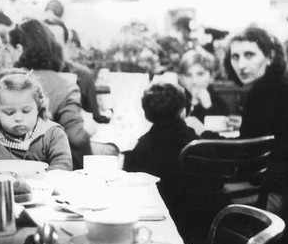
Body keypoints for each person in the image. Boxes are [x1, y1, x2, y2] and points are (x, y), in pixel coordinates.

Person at [9, 19, 95, 169]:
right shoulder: (64, 85)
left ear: (19, 49)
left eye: (8, 49)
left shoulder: (6, 84)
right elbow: (77, 137)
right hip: (55, 172)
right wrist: (90, 126)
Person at [224, 26, 288, 220]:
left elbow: (249, 159)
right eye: (235, 57)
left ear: (270, 57)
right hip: (275, 184)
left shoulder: (263, 92)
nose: (241, 64)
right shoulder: (276, 85)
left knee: (199, 193)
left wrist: (205, 137)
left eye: (249, 55)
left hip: (273, 192)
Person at [0, 68, 73, 170]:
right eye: (9, 113)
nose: (18, 118)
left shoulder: (53, 134)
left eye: (26, 111)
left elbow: (62, 165)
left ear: (39, 107)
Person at [123, 83, 197, 214]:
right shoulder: (195, 142)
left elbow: (130, 186)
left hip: (156, 212)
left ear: (147, 113)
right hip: (198, 213)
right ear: (182, 110)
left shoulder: (143, 146)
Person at [43, 17, 110, 122]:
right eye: (45, 42)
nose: (49, 49)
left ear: (66, 45)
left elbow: (93, 116)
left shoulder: (82, 76)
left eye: (55, 43)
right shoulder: (25, 75)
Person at [177, 49, 229, 133]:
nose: (194, 81)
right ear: (181, 78)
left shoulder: (219, 104)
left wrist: (208, 108)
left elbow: (219, 139)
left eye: (200, 74)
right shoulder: (176, 102)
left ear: (211, 76)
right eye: (188, 75)